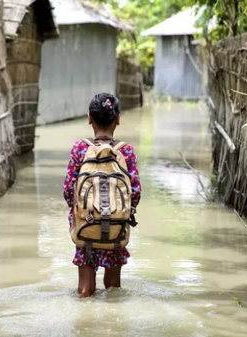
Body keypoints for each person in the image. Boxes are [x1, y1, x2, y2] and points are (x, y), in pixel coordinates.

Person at [63, 93, 141, 298]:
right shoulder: (127, 152)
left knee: (85, 290)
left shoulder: (80, 149)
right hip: (116, 228)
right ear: (118, 119)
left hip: (86, 224)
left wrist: (82, 211)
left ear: (89, 117)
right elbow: (136, 193)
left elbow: (68, 189)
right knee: (114, 290)